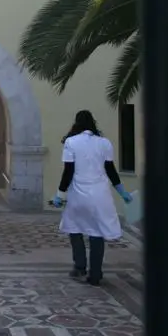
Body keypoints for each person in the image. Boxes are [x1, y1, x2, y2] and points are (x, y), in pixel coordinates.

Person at [50, 110, 132, 286]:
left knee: (74, 229)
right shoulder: (104, 143)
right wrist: (122, 192)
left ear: (76, 123)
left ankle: (79, 266)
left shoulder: (71, 142)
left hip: (78, 195)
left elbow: (68, 172)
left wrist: (59, 195)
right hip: (100, 195)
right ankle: (96, 274)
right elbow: (111, 170)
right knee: (97, 233)